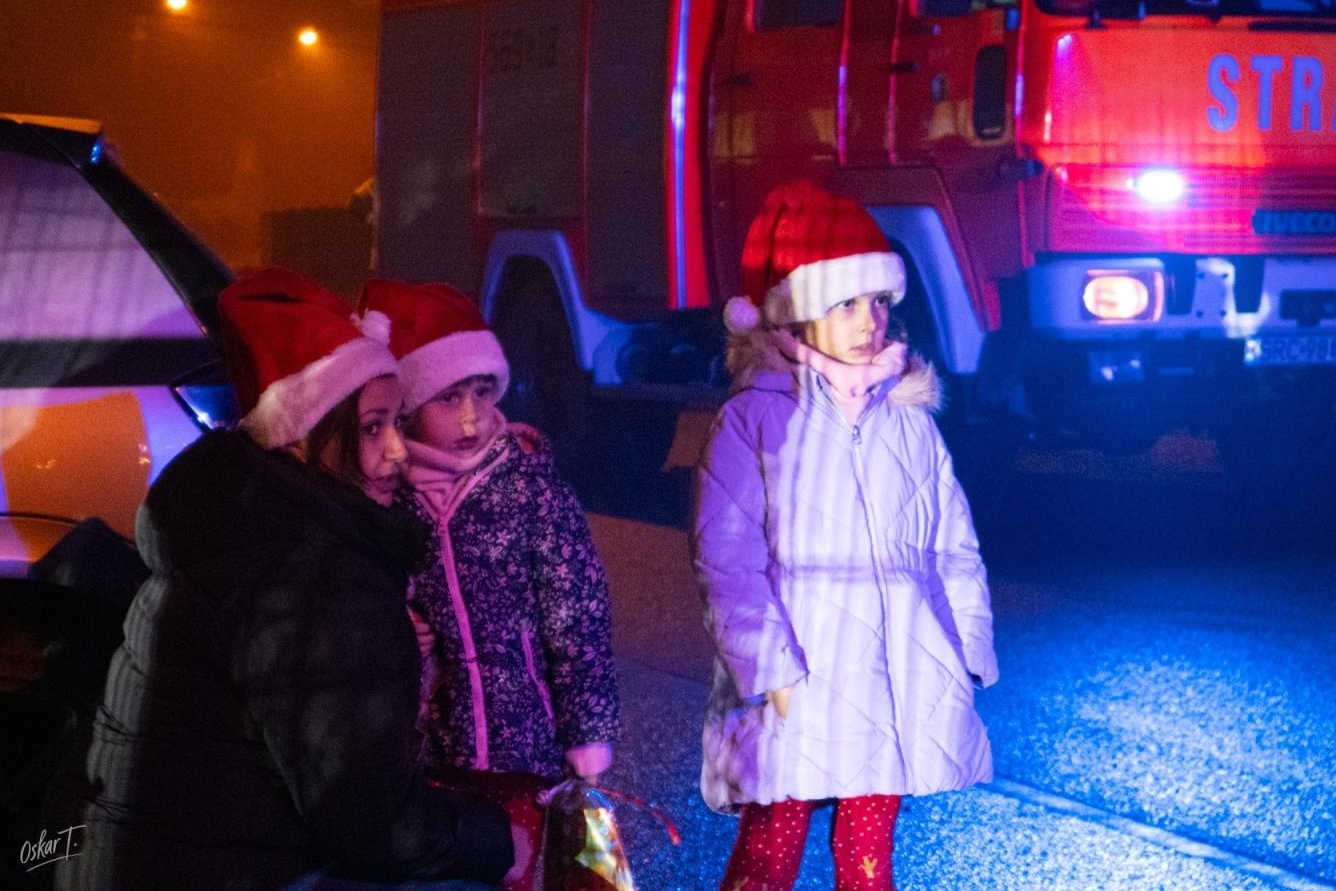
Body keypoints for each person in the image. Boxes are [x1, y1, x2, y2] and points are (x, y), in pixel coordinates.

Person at [63, 268, 525, 891]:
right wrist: (500, 838)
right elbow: (369, 820)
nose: (397, 451)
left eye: (397, 422)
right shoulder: (315, 580)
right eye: (372, 427)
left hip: (107, 860)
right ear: (300, 440)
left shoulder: (237, 526)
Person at [692, 180, 999, 891]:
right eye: (847, 304)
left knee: (868, 858)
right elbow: (727, 560)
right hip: (797, 675)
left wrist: (966, 647)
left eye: (879, 302)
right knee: (771, 850)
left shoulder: (908, 420)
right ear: (797, 313)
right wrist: (768, 668)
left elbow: (953, 547)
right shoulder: (756, 420)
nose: (870, 321)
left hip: (894, 675)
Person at [357, 278, 622, 891]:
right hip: (431, 749)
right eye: (448, 398)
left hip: (524, 744)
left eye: (481, 392)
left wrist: (588, 729)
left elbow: (577, 613)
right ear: (408, 407)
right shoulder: (390, 500)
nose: (471, 417)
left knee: (519, 872)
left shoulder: (529, 486)